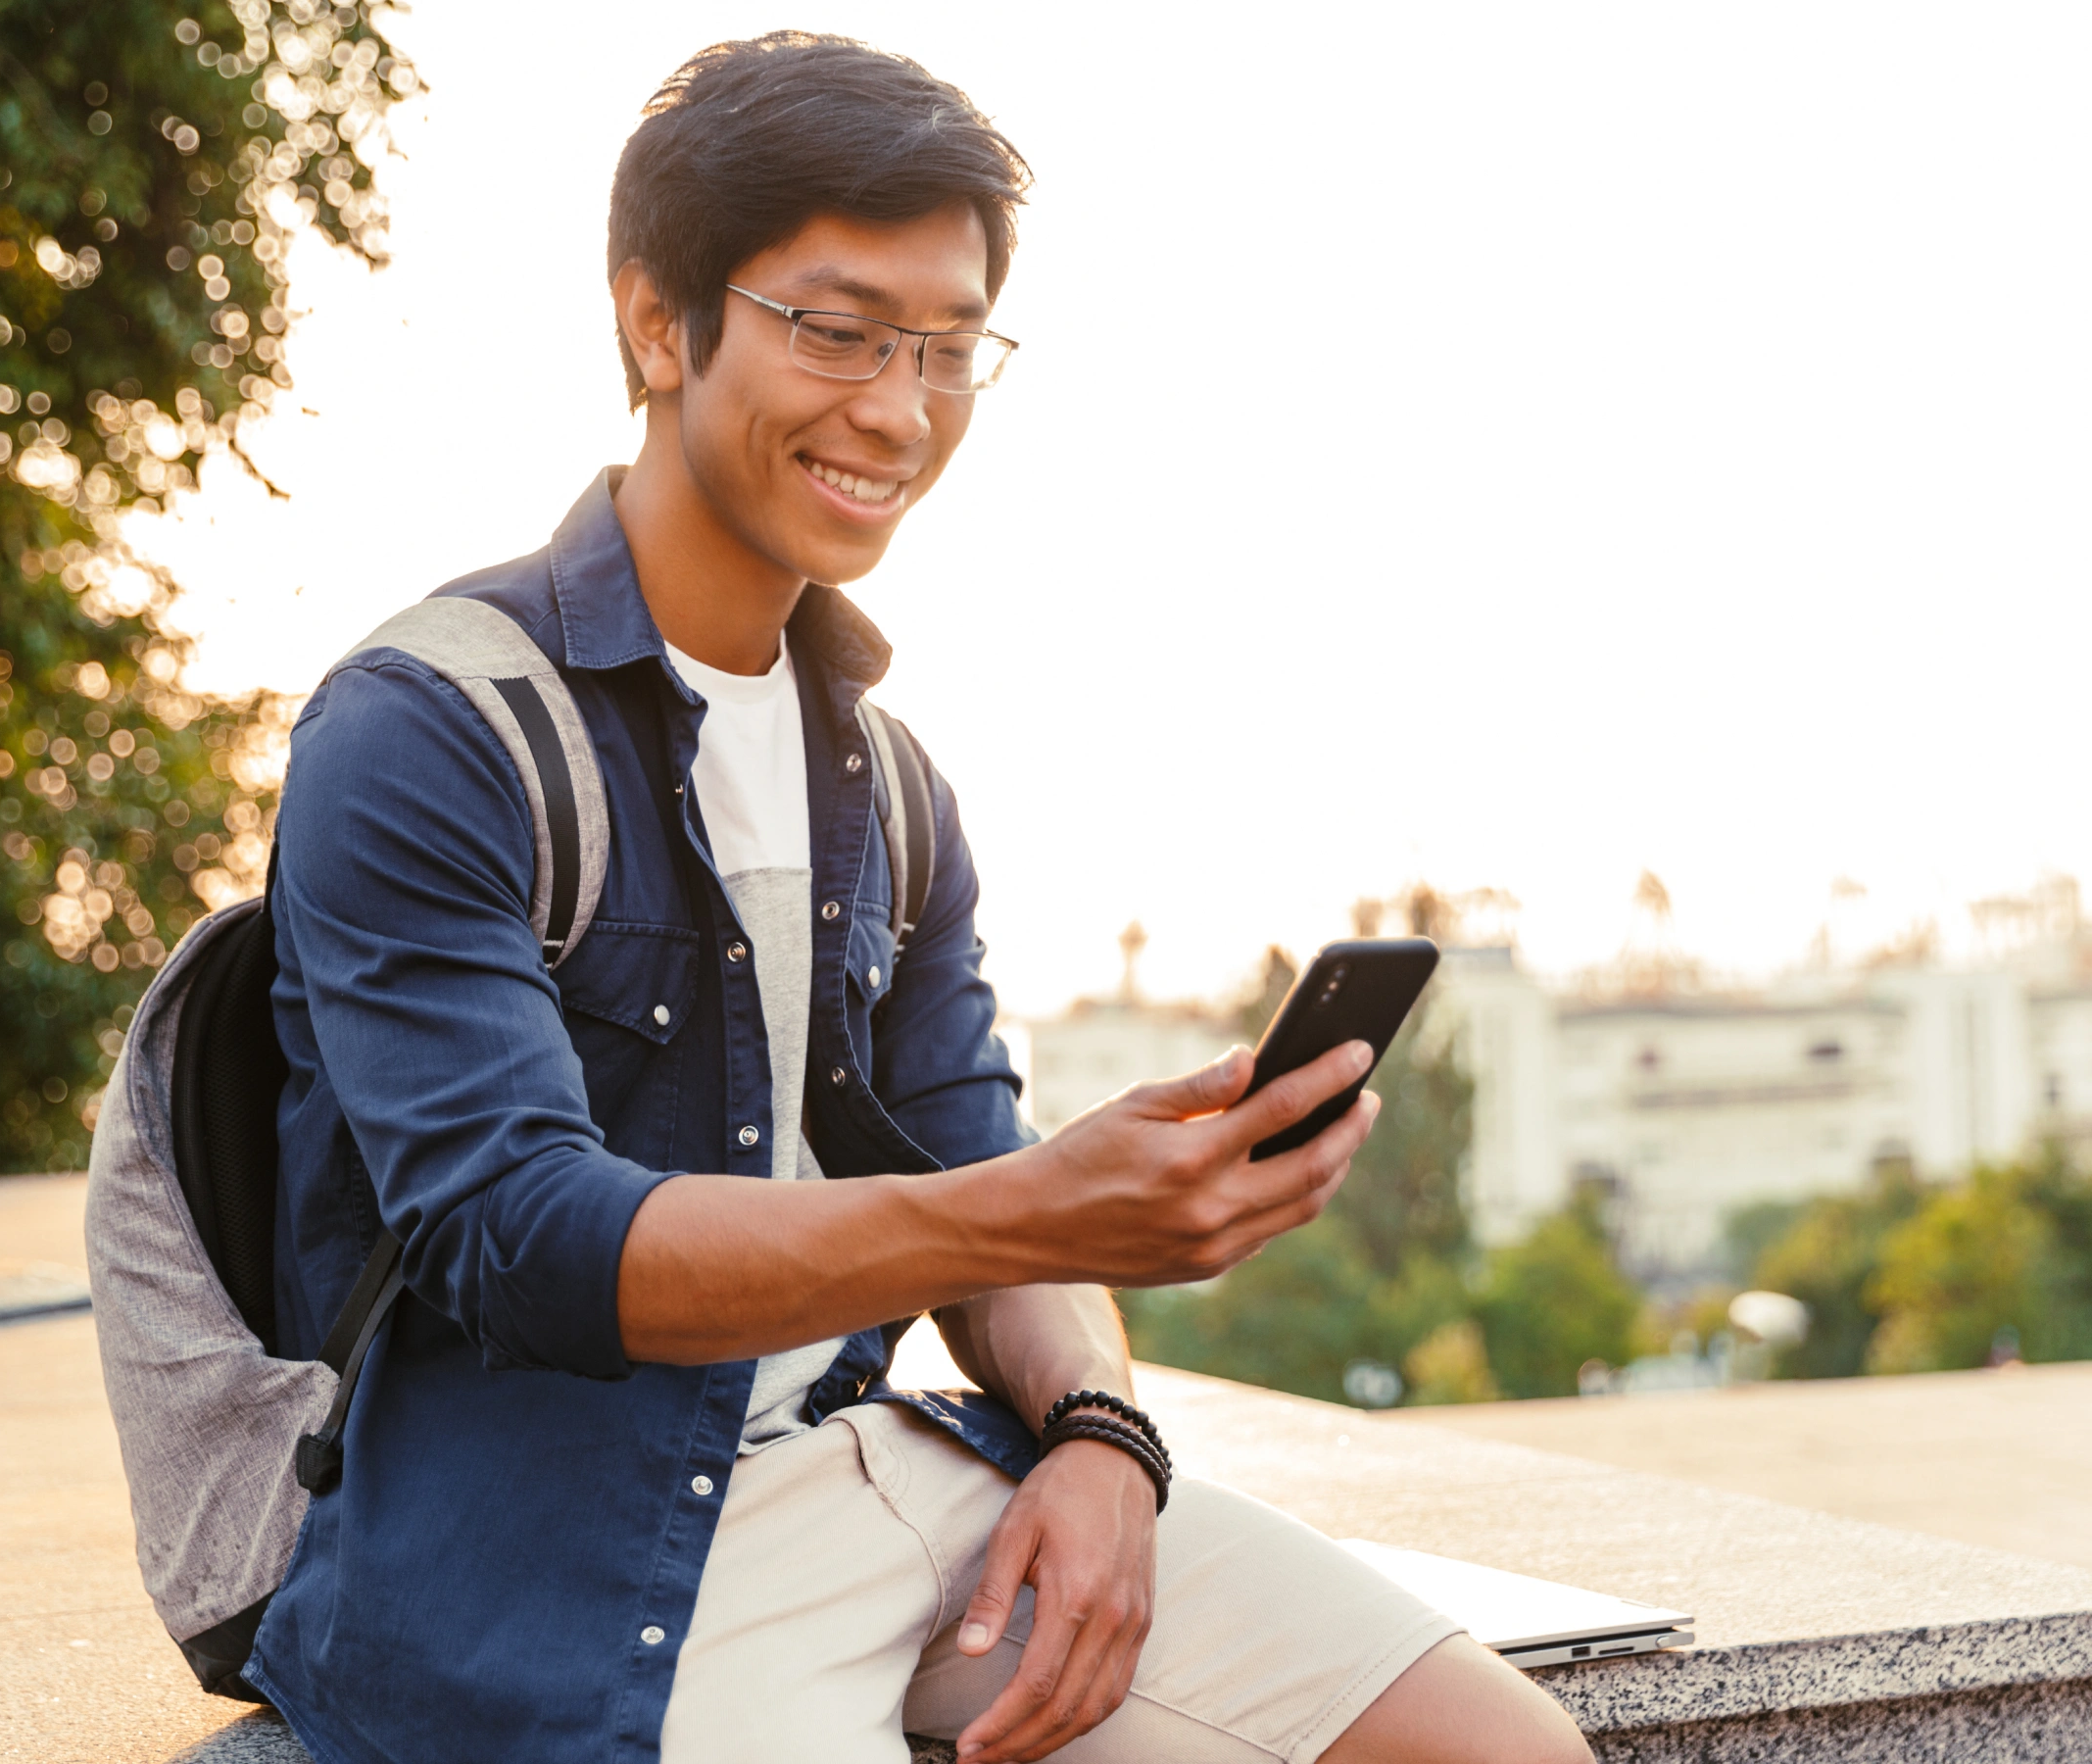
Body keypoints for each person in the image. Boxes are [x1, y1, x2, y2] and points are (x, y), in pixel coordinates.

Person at [249, 30, 1592, 1764]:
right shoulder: (429, 730)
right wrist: (1041, 1211)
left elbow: (973, 1150)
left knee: (1508, 1752)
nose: (898, 406)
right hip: (573, 1569)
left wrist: (1104, 1437)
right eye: (835, 328)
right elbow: (528, 1237)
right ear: (658, 322)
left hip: (900, 1480)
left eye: (949, 347)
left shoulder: (882, 775)